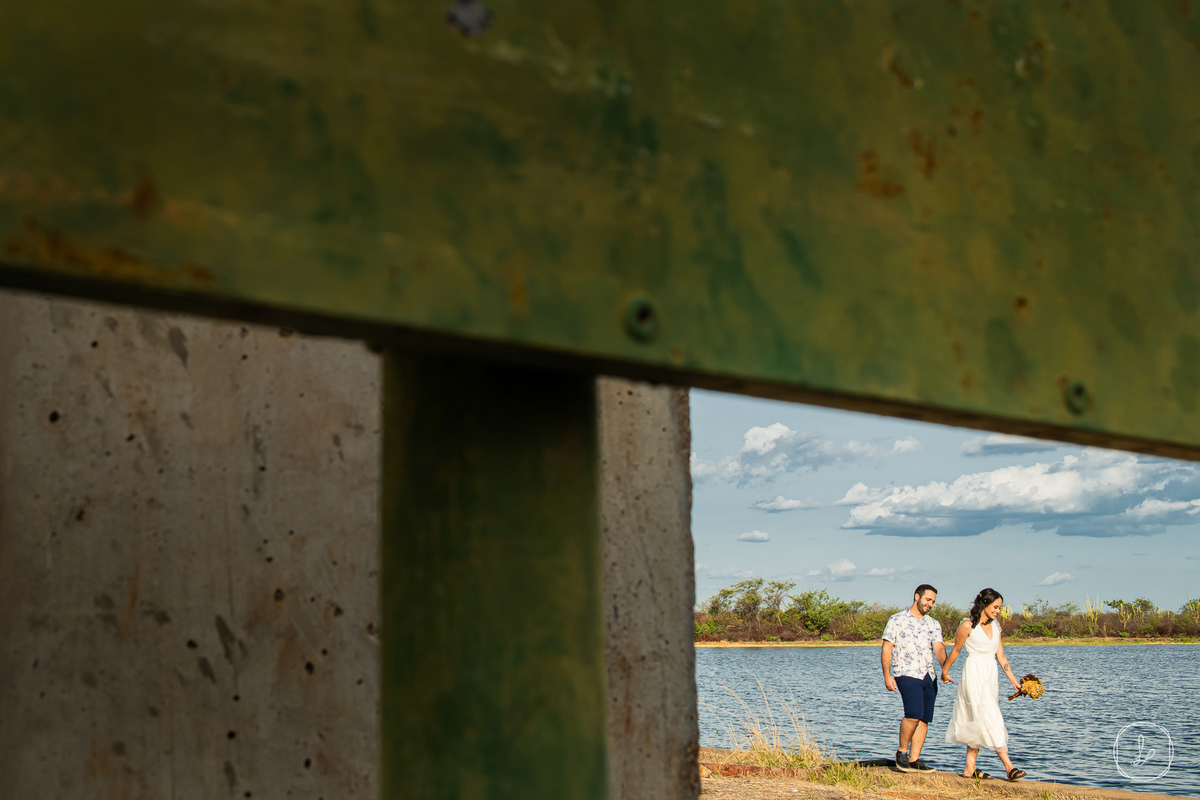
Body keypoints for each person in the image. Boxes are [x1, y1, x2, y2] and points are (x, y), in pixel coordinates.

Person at [941, 588, 1027, 781]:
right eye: (995, 607)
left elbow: (1001, 656)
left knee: (977, 721)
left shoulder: (996, 627)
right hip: (973, 674)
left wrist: (1015, 682)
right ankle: (1009, 766)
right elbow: (955, 651)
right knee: (991, 717)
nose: (998, 611)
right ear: (984, 604)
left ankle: (969, 769)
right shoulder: (967, 626)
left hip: (990, 676)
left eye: (1000, 608)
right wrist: (945, 671)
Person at [881, 584, 947, 773]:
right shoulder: (896, 620)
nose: (930, 604)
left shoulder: (933, 624)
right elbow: (887, 648)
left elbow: (939, 648)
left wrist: (945, 668)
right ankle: (901, 752)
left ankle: (914, 759)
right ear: (917, 596)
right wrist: (887, 675)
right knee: (913, 714)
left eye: (933, 602)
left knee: (925, 718)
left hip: (929, 674)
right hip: (906, 673)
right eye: (928, 600)